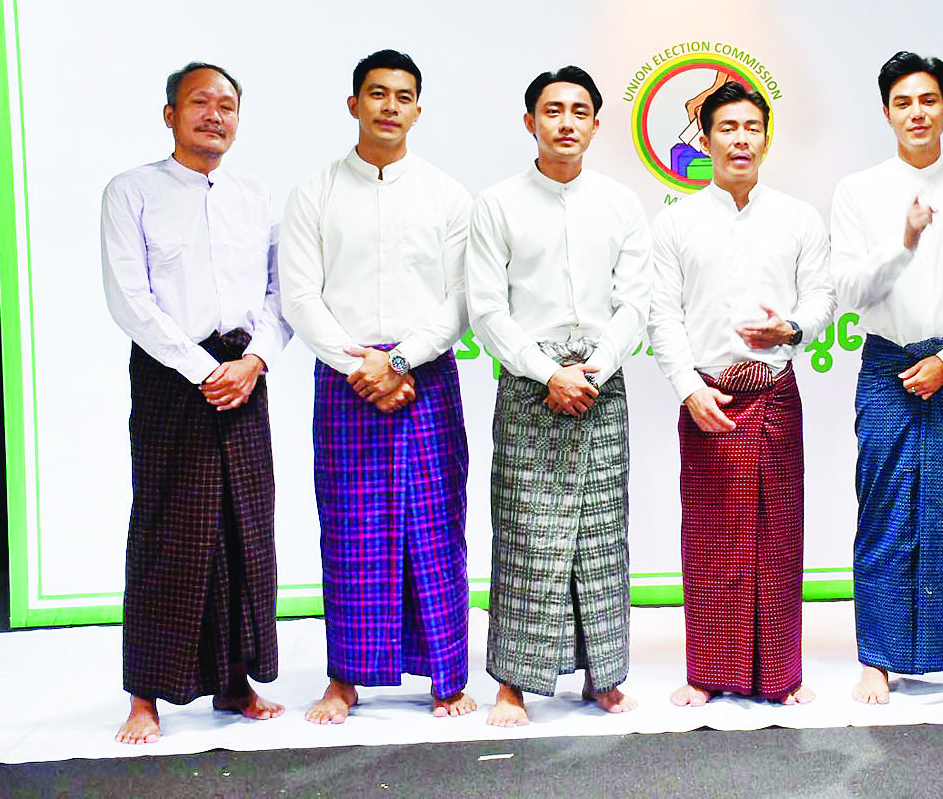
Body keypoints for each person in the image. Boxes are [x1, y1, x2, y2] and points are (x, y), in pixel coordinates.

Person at [280, 49, 475, 722]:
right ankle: (345, 678)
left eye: (403, 96)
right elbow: (301, 296)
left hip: (425, 375)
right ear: (353, 104)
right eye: (376, 93)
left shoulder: (447, 195)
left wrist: (403, 361)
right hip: (347, 377)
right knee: (350, 530)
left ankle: (447, 676)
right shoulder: (315, 193)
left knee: (434, 527)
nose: (390, 106)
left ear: (418, 110)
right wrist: (359, 364)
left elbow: (461, 298)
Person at [102, 61, 290, 743]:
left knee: (244, 529)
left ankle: (235, 682)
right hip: (170, 375)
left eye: (227, 106)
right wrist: (202, 368)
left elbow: (280, 293)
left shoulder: (255, 195)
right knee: (168, 530)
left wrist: (254, 362)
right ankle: (146, 694)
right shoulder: (132, 190)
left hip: (244, 372)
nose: (214, 115)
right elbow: (129, 297)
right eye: (199, 103)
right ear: (170, 114)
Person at [829, 51, 943, 704]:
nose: (917, 112)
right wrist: (902, 242)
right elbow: (849, 289)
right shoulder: (857, 191)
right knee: (881, 509)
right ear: (886, 112)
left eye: (928, 99)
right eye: (903, 102)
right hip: (887, 366)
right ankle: (877, 660)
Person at [468, 65, 651, 727]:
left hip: (601, 383)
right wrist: (548, 373)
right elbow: (486, 309)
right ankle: (513, 685)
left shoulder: (621, 203)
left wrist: (594, 369)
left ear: (596, 124)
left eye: (579, 111)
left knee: (601, 535)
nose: (565, 122)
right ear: (530, 122)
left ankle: (603, 676)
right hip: (530, 386)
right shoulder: (497, 204)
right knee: (527, 535)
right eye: (552, 110)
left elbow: (636, 301)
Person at [648, 80, 834, 706]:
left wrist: (793, 329)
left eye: (752, 127)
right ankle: (707, 673)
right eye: (727, 128)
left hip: (775, 392)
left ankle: (780, 675)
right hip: (709, 399)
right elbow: (662, 316)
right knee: (710, 540)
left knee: (778, 537)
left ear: (766, 139)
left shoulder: (798, 217)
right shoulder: (676, 221)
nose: (740, 139)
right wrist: (687, 390)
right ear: (704, 140)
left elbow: (822, 297)